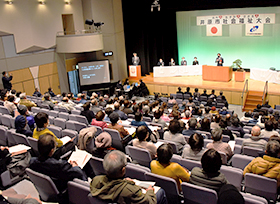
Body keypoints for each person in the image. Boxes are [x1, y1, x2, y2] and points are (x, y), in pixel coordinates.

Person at [91, 150, 167, 204]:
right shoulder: (130, 191)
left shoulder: (95, 180)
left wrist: (125, 182)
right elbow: (150, 201)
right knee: (161, 192)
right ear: (123, 170)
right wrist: (150, 191)